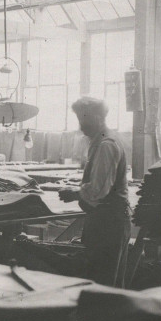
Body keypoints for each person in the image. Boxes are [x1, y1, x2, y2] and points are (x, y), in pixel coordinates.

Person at [59, 97, 131, 286]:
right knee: (102, 281)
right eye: (79, 119)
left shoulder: (106, 144)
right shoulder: (99, 140)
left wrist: (74, 193)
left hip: (109, 223)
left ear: (99, 117)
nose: (81, 125)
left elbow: (99, 190)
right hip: (104, 220)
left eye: (85, 118)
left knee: (102, 283)